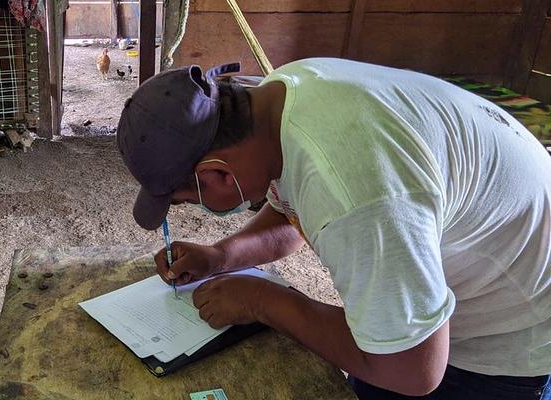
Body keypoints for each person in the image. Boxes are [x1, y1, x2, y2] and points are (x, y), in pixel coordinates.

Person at [116, 58, 551, 399]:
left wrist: (263, 300)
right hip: (483, 248)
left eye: (184, 200)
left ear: (220, 175)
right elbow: (295, 212)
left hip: (511, 332)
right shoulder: (277, 98)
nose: (186, 210)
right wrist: (222, 256)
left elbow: (415, 368)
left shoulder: (356, 196)